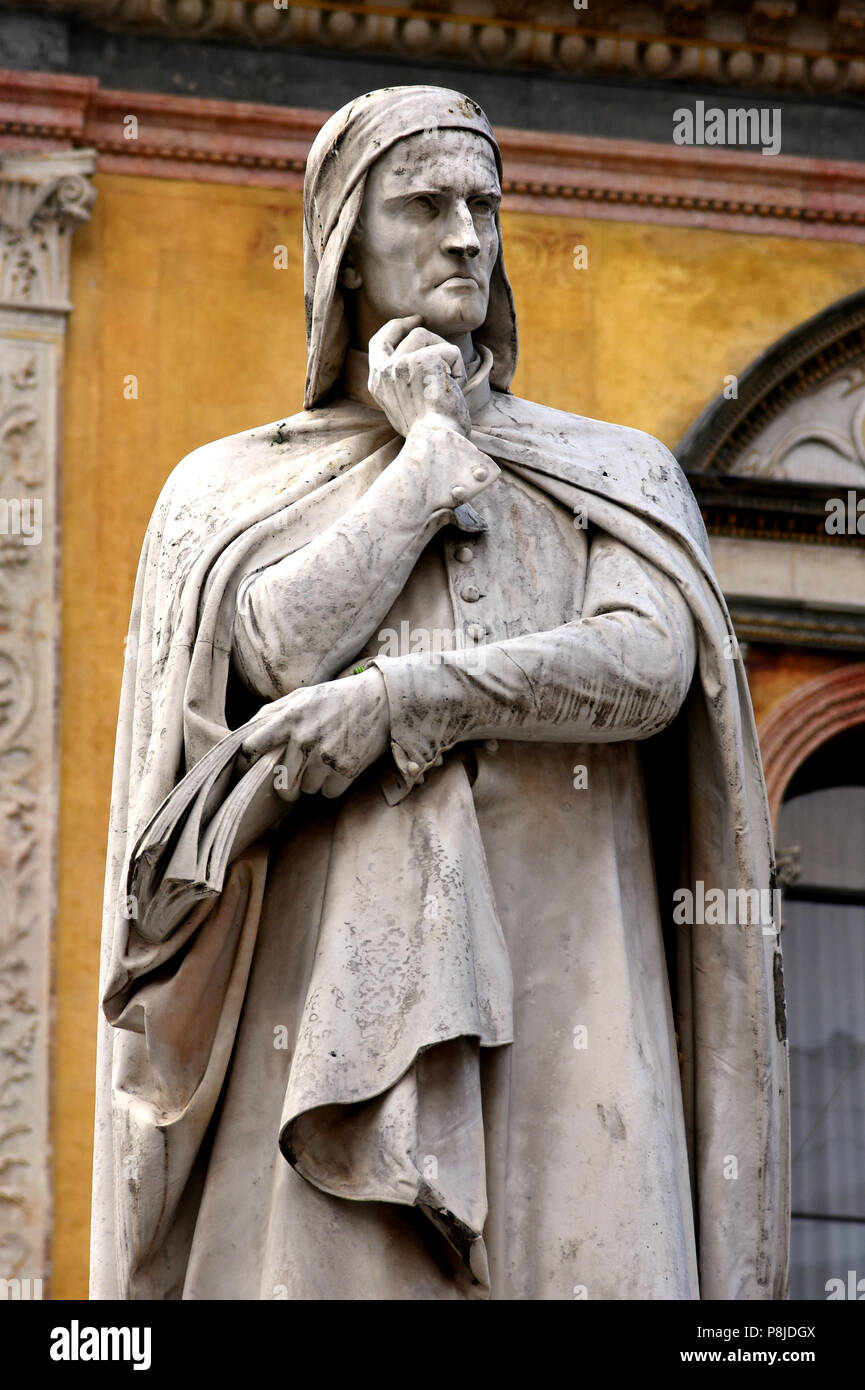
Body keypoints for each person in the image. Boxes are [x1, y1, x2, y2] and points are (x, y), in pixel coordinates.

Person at [91, 86, 789, 1300]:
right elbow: (279, 646)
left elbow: (643, 665)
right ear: (344, 248)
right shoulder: (232, 488)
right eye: (425, 205)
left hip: (576, 997)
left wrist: (406, 700)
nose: (467, 234)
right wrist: (424, 463)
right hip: (312, 1027)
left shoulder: (610, 469)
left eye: (485, 204)